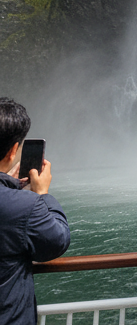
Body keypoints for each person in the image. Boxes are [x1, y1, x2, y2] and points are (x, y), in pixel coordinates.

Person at [0, 97, 71, 325]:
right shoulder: (23, 205)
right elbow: (56, 241)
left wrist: (7, 183)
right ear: (13, 151)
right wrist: (42, 194)